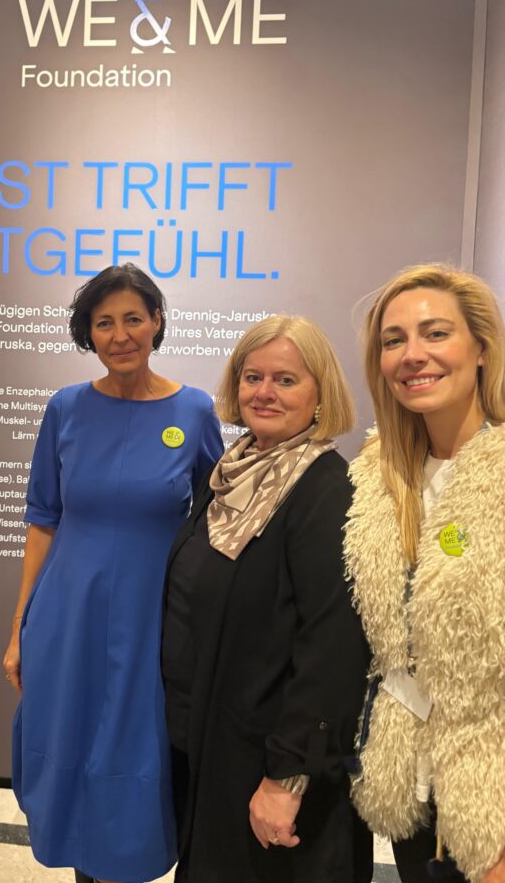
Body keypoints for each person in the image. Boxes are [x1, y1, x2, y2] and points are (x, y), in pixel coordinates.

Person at [3, 264, 224, 883]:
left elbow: (219, 517)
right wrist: (20, 627)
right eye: (105, 322)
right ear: (88, 334)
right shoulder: (66, 408)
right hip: (67, 614)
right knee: (70, 741)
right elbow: (42, 519)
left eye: (133, 318)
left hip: (151, 618)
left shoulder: (195, 409)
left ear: (157, 322)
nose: (120, 334)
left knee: (135, 749)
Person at [162, 314, 372, 883]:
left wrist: (285, 780)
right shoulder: (232, 475)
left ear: (320, 394)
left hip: (271, 767)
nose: (264, 392)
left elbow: (331, 651)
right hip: (216, 744)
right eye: (253, 376)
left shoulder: (325, 491)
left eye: (285, 379)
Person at [344, 264, 505, 883]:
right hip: (412, 783)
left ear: (481, 349)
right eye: (394, 340)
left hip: (489, 790)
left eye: (436, 334)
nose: (413, 355)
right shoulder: (375, 476)